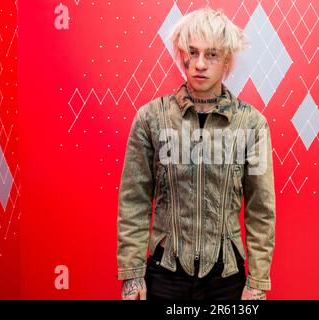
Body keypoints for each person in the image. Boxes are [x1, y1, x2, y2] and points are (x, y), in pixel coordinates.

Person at [117, 7, 275, 300]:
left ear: (227, 58)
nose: (200, 63)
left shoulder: (252, 124)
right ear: (181, 55)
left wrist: (257, 282)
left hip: (227, 279)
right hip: (164, 275)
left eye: (212, 54)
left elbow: (261, 210)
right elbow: (133, 199)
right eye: (192, 52)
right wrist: (132, 275)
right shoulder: (151, 118)